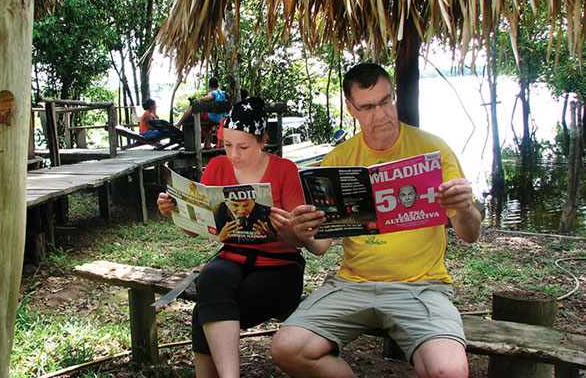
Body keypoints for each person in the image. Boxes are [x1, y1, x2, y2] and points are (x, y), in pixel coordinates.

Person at [271, 63, 482, 378]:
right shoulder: (338, 160)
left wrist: (464, 209)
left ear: (394, 95)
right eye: (367, 107)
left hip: (420, 285)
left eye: (385, 101)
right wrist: (297, 233)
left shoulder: (433, 149)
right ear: (351, 108)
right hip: (352, 284)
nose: (380, 114)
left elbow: (470, 234)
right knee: (286, 348)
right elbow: (320, 246)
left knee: (448, 371)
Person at [157, 96, 325, 378]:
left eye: (243, 146)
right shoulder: (217, 168)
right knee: (211, 277)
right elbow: (195, 228)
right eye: (227, 145)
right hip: (231, 259)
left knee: (205, 313)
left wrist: (287, 227)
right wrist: (174, 211)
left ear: (262, 141)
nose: (234, 154)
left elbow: (304, 241)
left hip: (279, 266)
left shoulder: (285, 170)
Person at [176, 77, 227, 148]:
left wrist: (199, 99)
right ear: (217, 85)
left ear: (209, 86)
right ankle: (207, 143)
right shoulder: (223, 93)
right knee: (204, 121)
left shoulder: (213, 93)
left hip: (212, 118)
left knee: (194, 110)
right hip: (220, 118)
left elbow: (210, 97)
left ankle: (179, 124)